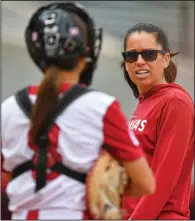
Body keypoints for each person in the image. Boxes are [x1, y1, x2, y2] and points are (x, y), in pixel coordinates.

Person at [1, 4, 155, 220]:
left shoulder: (7, 108)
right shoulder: (102, 106)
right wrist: (107, 193)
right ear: (85, 54)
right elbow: (145, 183)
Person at [120, 22, 194, 220]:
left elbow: (162, 179)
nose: (140, 61)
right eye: (131, 55)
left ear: (166, 59)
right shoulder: (146, 102)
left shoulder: (175, 102)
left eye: (149, 54)